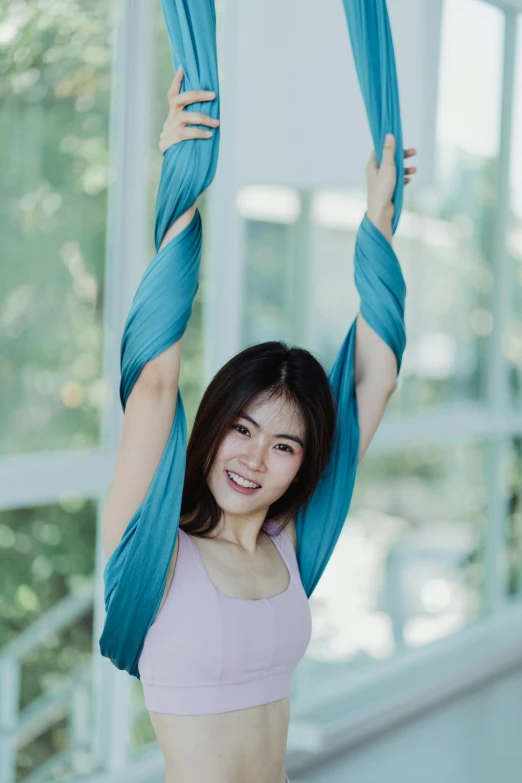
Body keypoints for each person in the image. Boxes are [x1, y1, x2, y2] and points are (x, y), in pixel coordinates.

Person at [101, 66, 417, 783]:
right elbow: (153, 384)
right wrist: (179, 183)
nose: (253, 458)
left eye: (284, 445)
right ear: (212, 428)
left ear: (303, 463)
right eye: (242, 429)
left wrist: (379, 225)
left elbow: (380, 376)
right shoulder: (149, 546)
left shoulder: (292, 545)